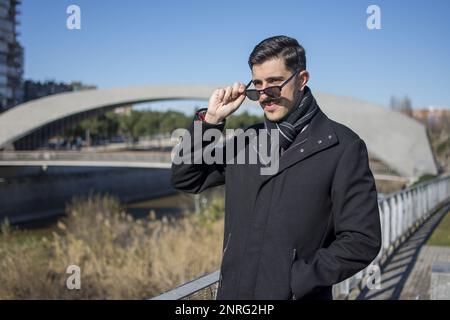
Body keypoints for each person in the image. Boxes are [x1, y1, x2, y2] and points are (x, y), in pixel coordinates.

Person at [171, 35, 382, 300]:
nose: (264, 96)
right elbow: (186, 178)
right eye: (257, 86)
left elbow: (362, 239)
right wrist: (211, 120)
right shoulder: (248, 141)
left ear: (302, 79)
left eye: (273, 84)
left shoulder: (342, 147)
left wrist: (296, 280)